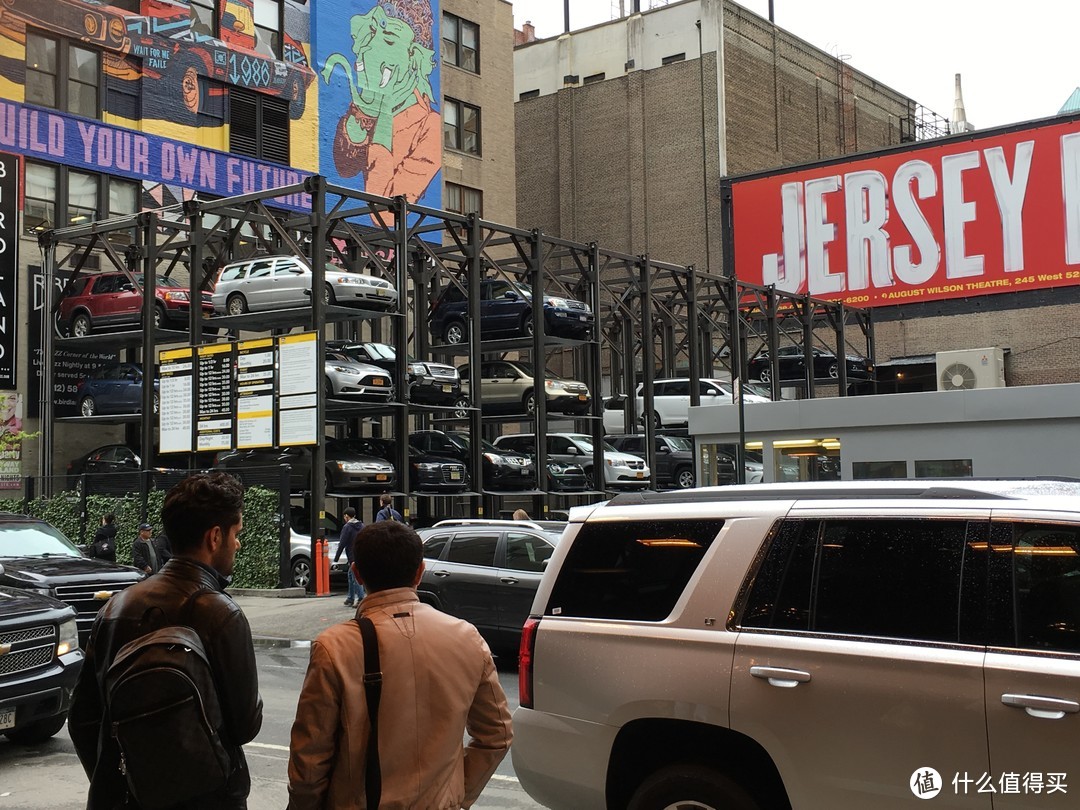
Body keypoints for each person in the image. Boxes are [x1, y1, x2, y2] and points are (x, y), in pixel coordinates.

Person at [70, 471, 263, 810]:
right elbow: (245, 725)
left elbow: (83, 720)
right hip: (209, 799)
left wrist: (120, 779)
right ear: (215, 537)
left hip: (122, 798)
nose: (238, 544)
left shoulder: (116, 607)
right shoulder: (221, 613)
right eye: (237, 533)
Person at [287, 521, 512, 809]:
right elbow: (497, 735)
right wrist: (455, 793)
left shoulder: (334, 647)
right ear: (420, 571)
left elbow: (309, 760)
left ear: (356, 573)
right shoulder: (467, 637)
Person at [334, 506, 365, 607]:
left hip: (352, 556)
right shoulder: (362, 526)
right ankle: (350, 598)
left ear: (346, 516)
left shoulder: (347, 527)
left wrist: (336, 558)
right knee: (351, 575)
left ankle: (360, 598)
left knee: (355, 577)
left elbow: (342, 543)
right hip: (361, 554)